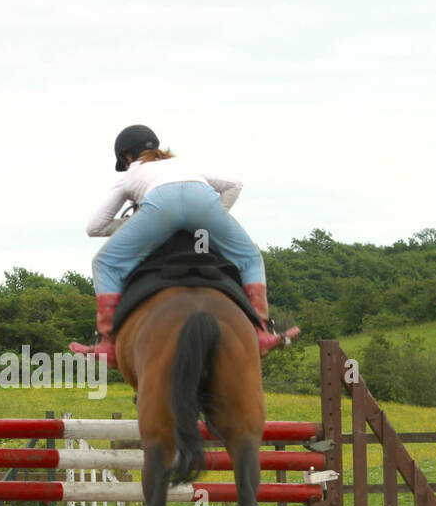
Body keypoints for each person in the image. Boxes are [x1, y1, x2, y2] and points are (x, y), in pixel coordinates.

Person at [70, 125, 279, 367]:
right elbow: (235, 184)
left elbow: (94, 227)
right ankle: (262, 331)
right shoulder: (183, 165)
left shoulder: (129, 175)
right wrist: (208, 222)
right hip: (202, 201)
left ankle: (108, 342)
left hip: (160, 205)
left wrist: (130, 223)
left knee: (103, 263)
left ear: (127, 156)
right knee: (250, 257)